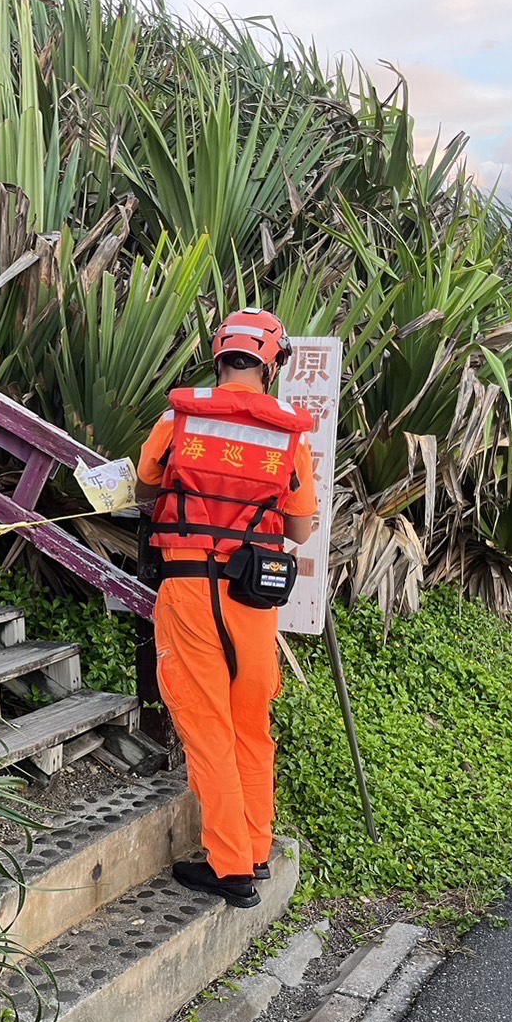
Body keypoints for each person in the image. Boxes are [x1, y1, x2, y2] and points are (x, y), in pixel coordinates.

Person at [136, 309, 317, 908]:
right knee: (250, 726)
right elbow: (299, 527)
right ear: (273, 362)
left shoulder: (180, 417)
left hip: (189, 589)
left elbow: (144, 487)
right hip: (253, 595)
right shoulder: (290, 436)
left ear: (219, 356)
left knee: (207, 725)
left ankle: (231, 866)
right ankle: (256, 852)